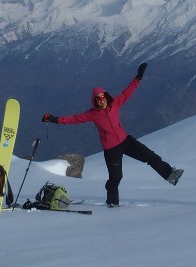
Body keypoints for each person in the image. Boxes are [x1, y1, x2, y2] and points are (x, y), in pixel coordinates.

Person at [42, 63, 183, 207]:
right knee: (116, 177)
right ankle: (112, 203)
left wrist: (138, 77)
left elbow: (128, 92)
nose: (101, 100)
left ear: (106, 97)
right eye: (98, 98)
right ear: (95, 101)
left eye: (103, 97)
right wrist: (54, 119)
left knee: (152, 157)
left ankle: (170, 175)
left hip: (126, 141)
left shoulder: (115, 104)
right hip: (111, 149)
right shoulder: (92, 114)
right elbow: (74, 119)